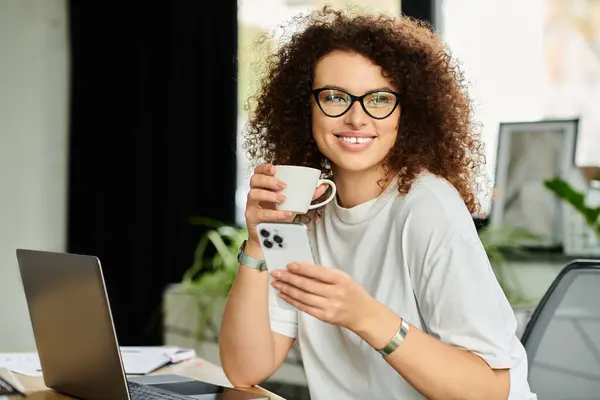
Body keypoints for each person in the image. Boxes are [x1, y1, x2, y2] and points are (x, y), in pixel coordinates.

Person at [219, 6, 536, 400]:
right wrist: (256, 243)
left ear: (407, 111)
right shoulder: (303, 214)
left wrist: (366, 317)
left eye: (379, 99)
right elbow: (245, 369)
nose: (356, 118)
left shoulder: (427, 207)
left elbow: (490, 390)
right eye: (335, 97)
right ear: (306, 108)